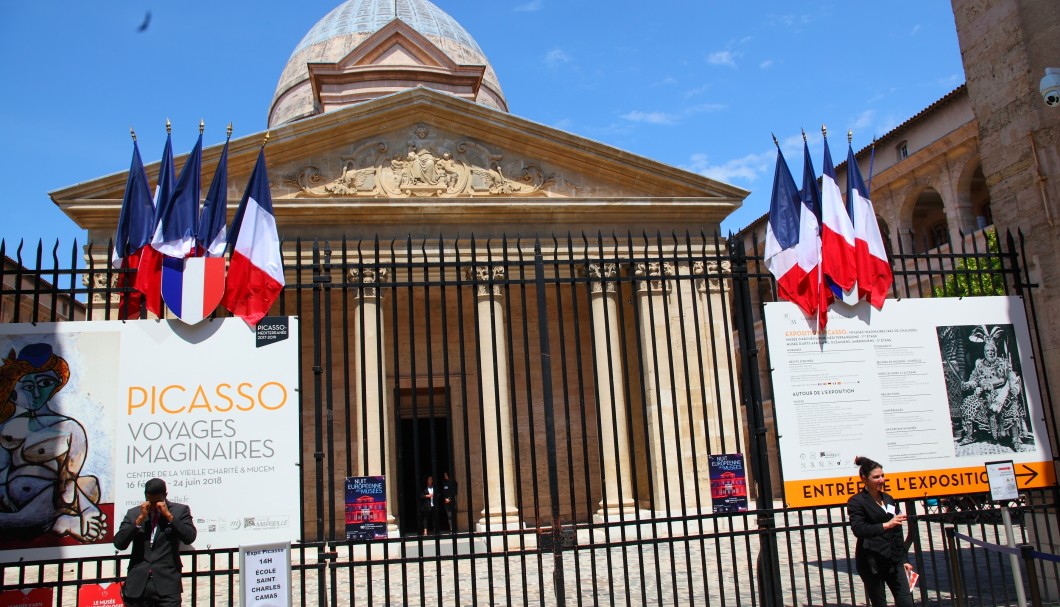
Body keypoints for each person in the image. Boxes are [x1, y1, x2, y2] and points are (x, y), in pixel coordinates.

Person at [0, 343, 106, 544]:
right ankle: (60, 523)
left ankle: (56, 520)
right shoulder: (6, 427)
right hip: (17, 501)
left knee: (89, 482)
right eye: (28, 386)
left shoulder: (69, 428)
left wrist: (86, 508)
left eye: (45, 383)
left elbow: (68, 481)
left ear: (57, 383)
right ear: (15, 388)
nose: (36, 393)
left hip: (52, 498)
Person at [113, 478, 197, 606]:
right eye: (150, 501)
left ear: (165, 496)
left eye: (156, 501)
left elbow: (189, 537)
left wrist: (168, 516)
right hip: (138, 585)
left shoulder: (180, 511)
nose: (153, 506)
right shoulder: (134, 513)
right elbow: (119, 543)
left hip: (167, 584)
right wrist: (139, 520)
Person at [847, 456, 914, 607]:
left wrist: (904, 559)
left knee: (906, 601)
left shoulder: (889, 499)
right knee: (879, 602)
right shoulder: (857, 501)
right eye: (876, 477)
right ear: (864, 478)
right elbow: (859, 529)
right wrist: (885, 525)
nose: (881, 480)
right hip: (872, 560)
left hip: (894, 559)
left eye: (882, 476)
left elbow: (897, 531)